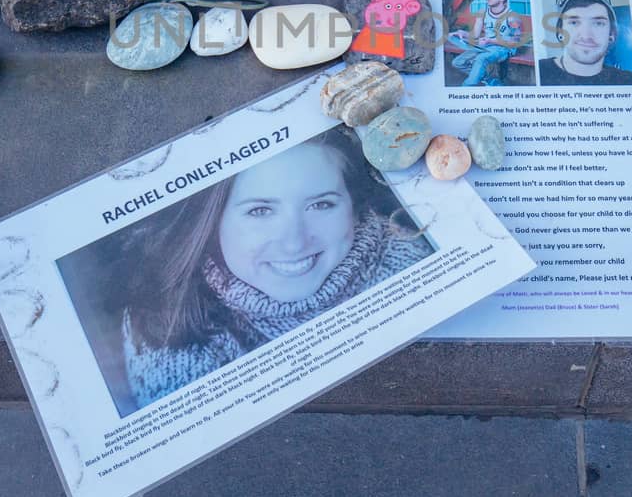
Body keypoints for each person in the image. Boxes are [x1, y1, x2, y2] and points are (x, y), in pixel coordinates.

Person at [120, 134, 431, 410]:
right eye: (260, 211)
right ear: (213, 221)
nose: (294, 243)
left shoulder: (414, 261)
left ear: (352, 205)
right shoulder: (165, 321)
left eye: (321, 205)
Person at [537, 0, 632, 86]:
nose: (586, 36)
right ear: (560, 32)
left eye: (598, 23)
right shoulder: (537, 72)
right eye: (574, 22)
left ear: (611, 34)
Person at [448, 0, 526, 86]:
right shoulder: (483, 13)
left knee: (481, 58)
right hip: (486, 46)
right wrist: (461, 33)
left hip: (503, 48)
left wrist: (490, 41)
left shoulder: (512, 17)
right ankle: (489, 80)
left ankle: (466, 87)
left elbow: (515, 43)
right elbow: (475, 35)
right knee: (457, 62)